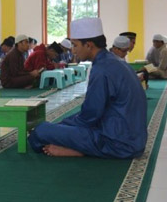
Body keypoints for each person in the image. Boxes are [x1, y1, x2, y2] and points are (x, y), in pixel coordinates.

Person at [28, 18, 147, 158]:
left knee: (41, 131)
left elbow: (89, 117)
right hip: (134, 140)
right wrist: (63, 126)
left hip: (117, 143)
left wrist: (60, 126)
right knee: (60, 127)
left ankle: (79, 150)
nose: (73, 51)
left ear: (89, 45)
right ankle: (78, 147)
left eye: (75, 45)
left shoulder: (101, 70)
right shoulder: (115, 62)